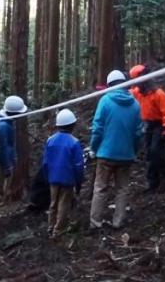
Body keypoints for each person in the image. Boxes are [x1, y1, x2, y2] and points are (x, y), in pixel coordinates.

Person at [89, 70, 142, 229]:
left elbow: (97, 128)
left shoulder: (105, 101)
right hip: (126, 155)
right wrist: (133, 150)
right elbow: (138, 132)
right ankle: (118, 222)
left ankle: (95, 223)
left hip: (105, 153)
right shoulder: (135, 104)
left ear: (110, 84)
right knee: (122, 189)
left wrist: (93, 147)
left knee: (100, 188)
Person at [129, 65, 165, 192]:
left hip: (159, 125)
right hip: (146, 125)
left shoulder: (159, 94)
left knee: (155, 151)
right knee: (152, 152)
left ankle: (153, 181)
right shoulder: (137, 93)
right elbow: (126, 94)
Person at [42, 108, 85, 236]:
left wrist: (47, 177)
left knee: (53, 203)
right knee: (63, 204)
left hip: (53, 178)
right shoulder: (74, 142)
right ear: (73, 125)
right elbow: (79, 165)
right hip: (68, 179)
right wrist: (78, 182)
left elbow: (45, 162)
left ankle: (51, 226)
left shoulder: (50, 140)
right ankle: (58, 229)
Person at [0, 95, 25, 198]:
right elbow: (2, 147)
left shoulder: (6, 122)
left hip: (6, 161)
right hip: (3, 164)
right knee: (1, 187)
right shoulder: (3, 126)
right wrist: (7, 167)